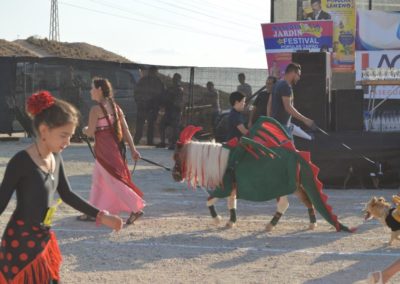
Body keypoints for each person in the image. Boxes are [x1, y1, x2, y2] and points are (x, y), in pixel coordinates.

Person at [0, 90, 122, 283]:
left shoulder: (56, 157)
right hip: (20, 243)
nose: (67, 142)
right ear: (43, 131)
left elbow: (67, 194)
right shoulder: (21, 161)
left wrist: (101, 215)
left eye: (70, 136)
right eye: (63, 135)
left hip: (43, 238)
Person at [79, 77, 145, 225]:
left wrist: (84, 129)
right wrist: (134, 150)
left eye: (92, 88)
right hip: (114, 149)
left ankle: (136, 208)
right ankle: (92, 211)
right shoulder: (116, 107)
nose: (90, 91)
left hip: (104, 152)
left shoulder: (95, 110)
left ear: (99, 90)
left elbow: (89, 132)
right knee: (98, 180)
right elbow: (126, 130)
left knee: (114, 181)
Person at [265, 63, 316, 232]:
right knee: (293, 174)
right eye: (298, 74)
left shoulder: (277, 84)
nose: (299, 78)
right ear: (292, 72)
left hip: (276, 131)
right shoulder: (286, 86)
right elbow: (288, 108)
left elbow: (270, 107)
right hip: (283, 134)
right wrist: (306, 120)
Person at [134, 66, 165, 146]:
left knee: (146, 125)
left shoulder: (145, 80)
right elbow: (162, 94)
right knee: (145, 125)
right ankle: (141, 140)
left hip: (149, 107)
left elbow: (136, 93)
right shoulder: (156, 81)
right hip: (148, 106)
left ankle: (139, 140)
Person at [157, 73, 184, 150]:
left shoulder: (179, 89)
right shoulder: (170, 88)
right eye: (174, 78)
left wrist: (170, 100)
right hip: (168, 111)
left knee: (175, 128)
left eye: (176, 79)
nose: (175, 80)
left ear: (179, 80)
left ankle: (173, 143)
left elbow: (177, 102)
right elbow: (164, 97)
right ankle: (163, 142)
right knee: (161, 125)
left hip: (176, 112)